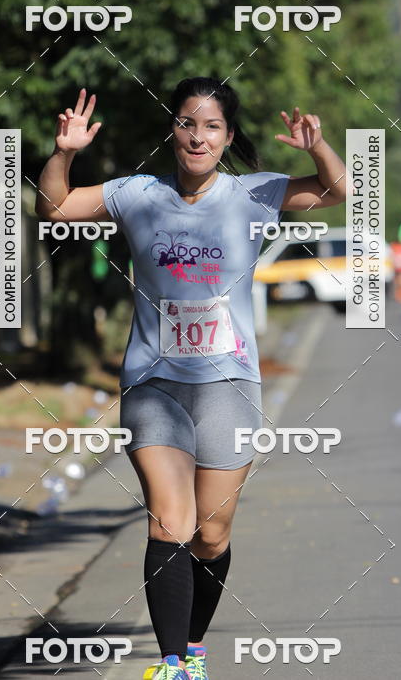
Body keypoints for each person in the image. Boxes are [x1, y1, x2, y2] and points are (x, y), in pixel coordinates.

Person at [35, 77, 347, 680]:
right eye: (186, 123)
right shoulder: (137, 193)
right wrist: (65, 152)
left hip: (229, 384)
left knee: (211, 532)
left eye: (211, 126)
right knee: (168, 522)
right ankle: (174, 665)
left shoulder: (254, 194)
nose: (197, 135)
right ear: (172, 130)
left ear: (227, 137)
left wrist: (319, 148)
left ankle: (194, 646)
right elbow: (55, 205)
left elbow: (339, 191)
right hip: (153, 384)